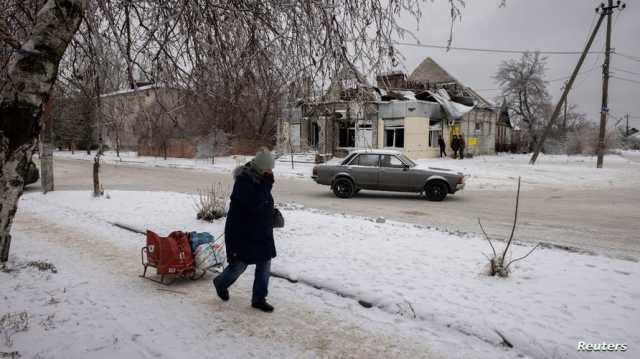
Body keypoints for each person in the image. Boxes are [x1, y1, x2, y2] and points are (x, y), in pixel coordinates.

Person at [213, 148, 277, 312]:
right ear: (261, 168)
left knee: (265, 263)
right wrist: (267, 183)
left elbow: (264, 202)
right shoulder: (244, 181)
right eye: (268, 168)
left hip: (261, 232)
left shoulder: (261, 179)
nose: (271, 172)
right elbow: (255, 203)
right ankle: (220, 283)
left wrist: (271, 216)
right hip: (242, 233)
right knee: (239, 265)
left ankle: (259, 298)